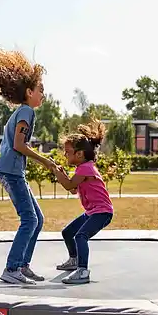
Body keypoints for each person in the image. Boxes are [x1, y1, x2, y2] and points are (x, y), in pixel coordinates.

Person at [0, 48, 57, 285]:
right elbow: (19, 144)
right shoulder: (26, 111)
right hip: (11, 171)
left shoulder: (22, 111)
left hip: (13, 170)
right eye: (41, 90)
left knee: (38, 218)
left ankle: (23, 265)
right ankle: (12, 268)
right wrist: (46, 161)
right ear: (29, 92)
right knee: (29, 219)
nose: (43, 95)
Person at [50, 119, 114, 284]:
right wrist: (63, 174)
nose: (64, 155)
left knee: (81, 236)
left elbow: (69, 185)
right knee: (67, 232)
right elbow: (73, 189)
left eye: (67, 152)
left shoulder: (85, 168)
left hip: (102, 212)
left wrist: (57, 173)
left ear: (79, 154)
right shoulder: (83, 168)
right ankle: (74, 260)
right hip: (92, 212)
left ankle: (83, 270)